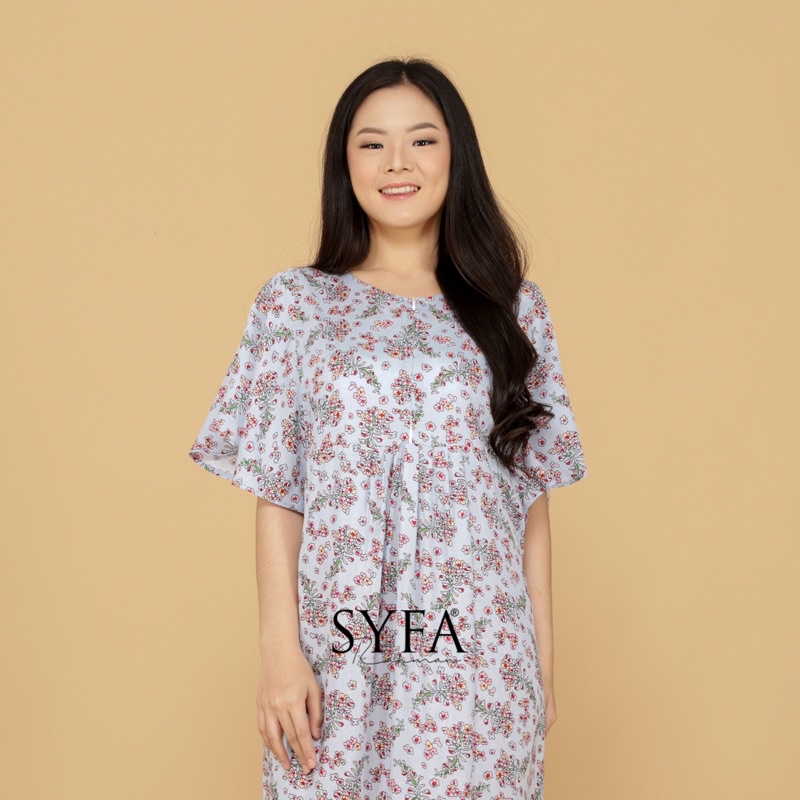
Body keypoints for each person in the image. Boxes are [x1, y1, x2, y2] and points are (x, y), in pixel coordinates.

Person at [188, 56, 587, 800]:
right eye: (372, 143)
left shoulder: (514, 309)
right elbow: (278, 490)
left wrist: (541, 673)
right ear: (345, 163)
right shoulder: (296, 305)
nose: (397, 162)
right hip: (339, 656)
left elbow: (530, 503)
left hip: (482, 663)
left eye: (422, 141)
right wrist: (279, 657)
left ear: (456, 156)